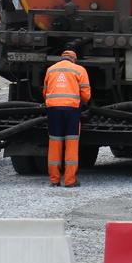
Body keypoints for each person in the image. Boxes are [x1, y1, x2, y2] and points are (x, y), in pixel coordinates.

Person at [44, 50, 91, 187]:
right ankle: (70, 180)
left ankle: (54, 180)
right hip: (71, 111)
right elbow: (86, 95)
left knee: (55, 143)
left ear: (61, 58)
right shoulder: (79, 70)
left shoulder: (50, 70)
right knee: (71, 144)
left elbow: (45, 92)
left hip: (53, 110)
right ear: (74, 59)